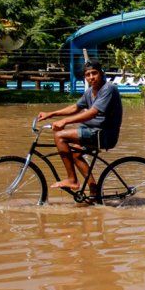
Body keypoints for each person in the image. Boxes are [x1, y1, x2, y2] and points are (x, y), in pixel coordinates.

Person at [37, 60, 123, 191]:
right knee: (75, 154)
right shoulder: (90, 92)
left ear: (101, 74)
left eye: (94, 73)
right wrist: (51, 114)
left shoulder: (108, 89)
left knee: (60, 136)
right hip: (92, 131)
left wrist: (65, 121)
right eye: (88, 74)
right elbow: (75, 107)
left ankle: (72, 180)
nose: (91, 77)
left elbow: (92, 113)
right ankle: (94, 192)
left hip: (104, 134)